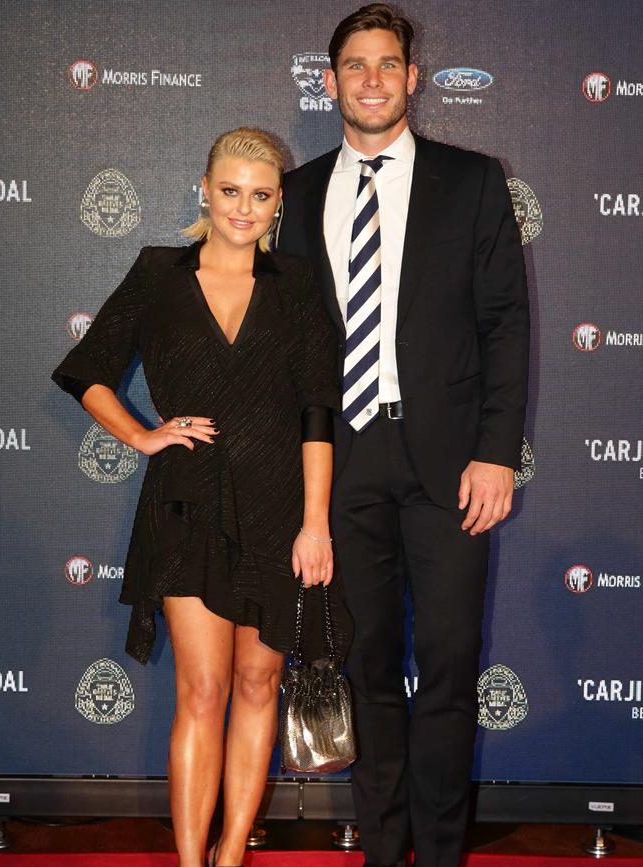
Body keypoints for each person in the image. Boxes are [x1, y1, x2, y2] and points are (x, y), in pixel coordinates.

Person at [52, 127, 351, 867]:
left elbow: (319, 409)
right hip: (186, 507)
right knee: (204, 685)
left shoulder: (297, 284)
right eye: (229, 191)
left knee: (258, 681)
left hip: (282, 508)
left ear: (278, 201)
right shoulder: (157, 274)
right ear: (203, 191)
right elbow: (88, 368)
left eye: (260, 194)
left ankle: (228, 855)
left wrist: (316, 523)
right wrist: (143, 435)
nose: (243, 208)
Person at [276, 5, 529, 867]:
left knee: (453, 665)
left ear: (414, 78)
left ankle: (443, 853)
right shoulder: (301, 192)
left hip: (453, 465)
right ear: (331, 80)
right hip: (343, 464)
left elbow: (505, 322)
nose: (374, 79)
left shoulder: (473, 180)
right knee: (370, 667)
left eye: (389, 64)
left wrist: (497, 450)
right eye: (356, 65)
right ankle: (385, 851)